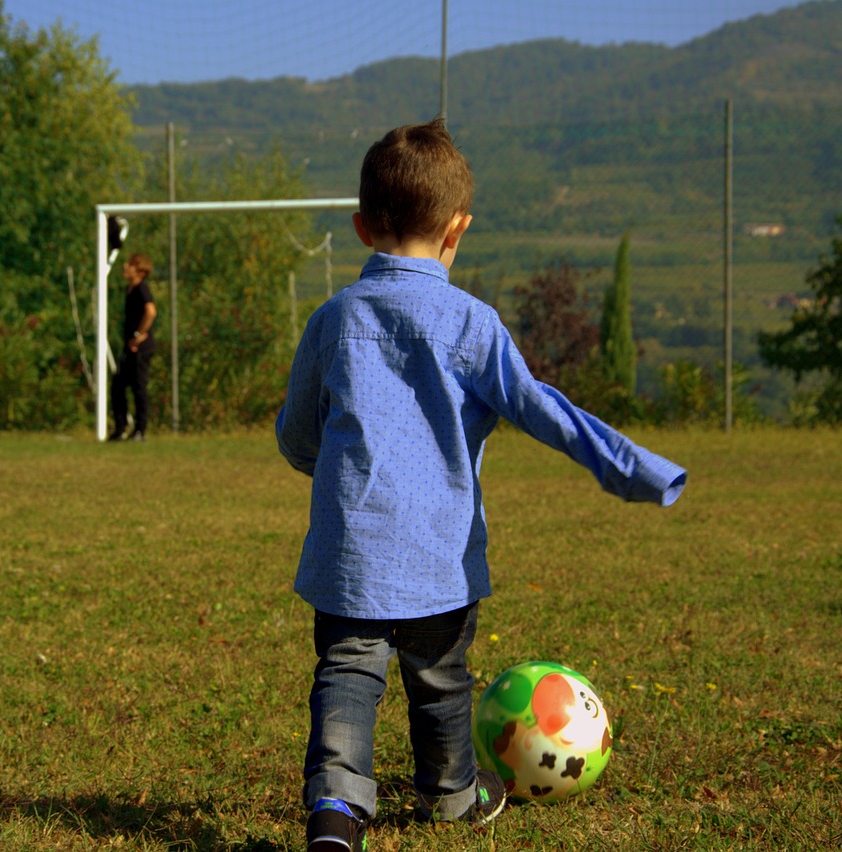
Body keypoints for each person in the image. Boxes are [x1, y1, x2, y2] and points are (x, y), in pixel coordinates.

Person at [275, 117, 687, 851]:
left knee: (346, 676)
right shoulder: (474, 323)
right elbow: (545, 411)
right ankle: (453, 798)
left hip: (349, 555)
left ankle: (335, 814)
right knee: (440, 679)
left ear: (362, 226)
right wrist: (635, 470)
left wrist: (327, 470)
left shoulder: (333, 320)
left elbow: (295, 434)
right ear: (457, 229)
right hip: (440, 556)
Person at [109, 253, 157, 442]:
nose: (125, 266)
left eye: (130, 265)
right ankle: (120, 429)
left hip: (140, 349)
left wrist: (138, 336)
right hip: (129, 347)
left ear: (140, 272)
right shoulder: (129, 290)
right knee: (118, 386)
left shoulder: (141, 289)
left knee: (139, 388)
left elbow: (151, 312)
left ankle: (140, 431)